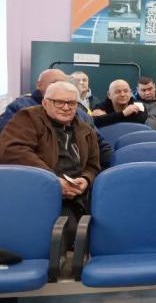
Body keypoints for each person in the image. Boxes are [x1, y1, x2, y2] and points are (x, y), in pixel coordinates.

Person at [0, 81, 100, 251]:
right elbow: (12, 150)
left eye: (71, 103)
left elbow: (93, 165)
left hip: (77, 196)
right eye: (59, 102)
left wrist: (85, 179)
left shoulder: (86, 130)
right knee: (65, 235)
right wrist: (53, 181)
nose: (66, 107)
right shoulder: (28, 118)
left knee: (102, 229)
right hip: (37, 193)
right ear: (45, 103)